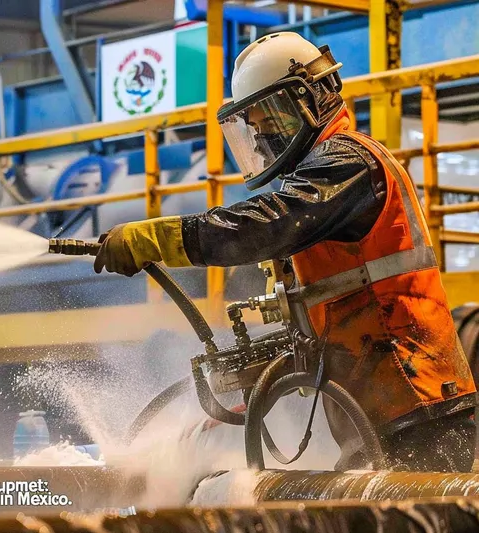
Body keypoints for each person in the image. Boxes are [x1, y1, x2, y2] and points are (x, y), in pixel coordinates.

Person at [92, 32, 477, 472]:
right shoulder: (326, 173)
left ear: (310, 99)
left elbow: (267, 225)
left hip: (416, 403)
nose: (263, 138)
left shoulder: (348, 164)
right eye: (256, 127)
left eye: (271, 120)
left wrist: (158, 239)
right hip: (385, 409)